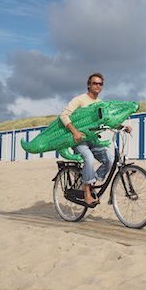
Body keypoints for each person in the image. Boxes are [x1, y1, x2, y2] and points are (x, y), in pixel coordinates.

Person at [60, 73, 132, 207]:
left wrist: (123, 127)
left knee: (109, 160)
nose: (98, 86)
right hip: (78, 139)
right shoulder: (79, 99)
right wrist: (74, 131)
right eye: (95, 83)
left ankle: (91, 182)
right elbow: (64, 116)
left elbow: (107, 120)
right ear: (89, 85)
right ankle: (87, 192)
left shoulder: (100, 103)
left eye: (100, 84)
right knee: (88, 158)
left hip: (93, 139)